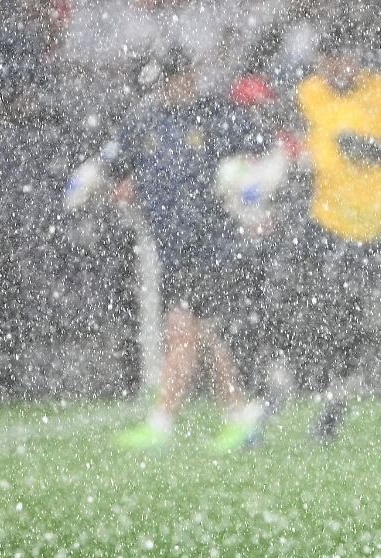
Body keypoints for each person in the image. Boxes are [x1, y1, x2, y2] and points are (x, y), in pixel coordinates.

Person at [103, 48, 268, 452]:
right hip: (172, 249)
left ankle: (165, 422)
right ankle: (239, 417)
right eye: (167, 80)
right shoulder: (143, 122)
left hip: (213, 245)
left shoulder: (214, 114)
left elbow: (262, 151)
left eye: (181, 78)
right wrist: (121, 187)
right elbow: (115, 171)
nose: (176, 87)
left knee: (186, 332)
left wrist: (247, 188)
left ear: (190, 78)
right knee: (201, 335)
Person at [284, 27, 381, 440]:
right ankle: (288, 390)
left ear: (356, 58)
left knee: (349, 320)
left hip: (369, 229)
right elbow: (292, 136)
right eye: (326, 62)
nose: (334, 70)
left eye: (341, 60)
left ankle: (335, 402)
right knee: (296, 309)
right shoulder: (310, 93)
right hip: (319, 221)